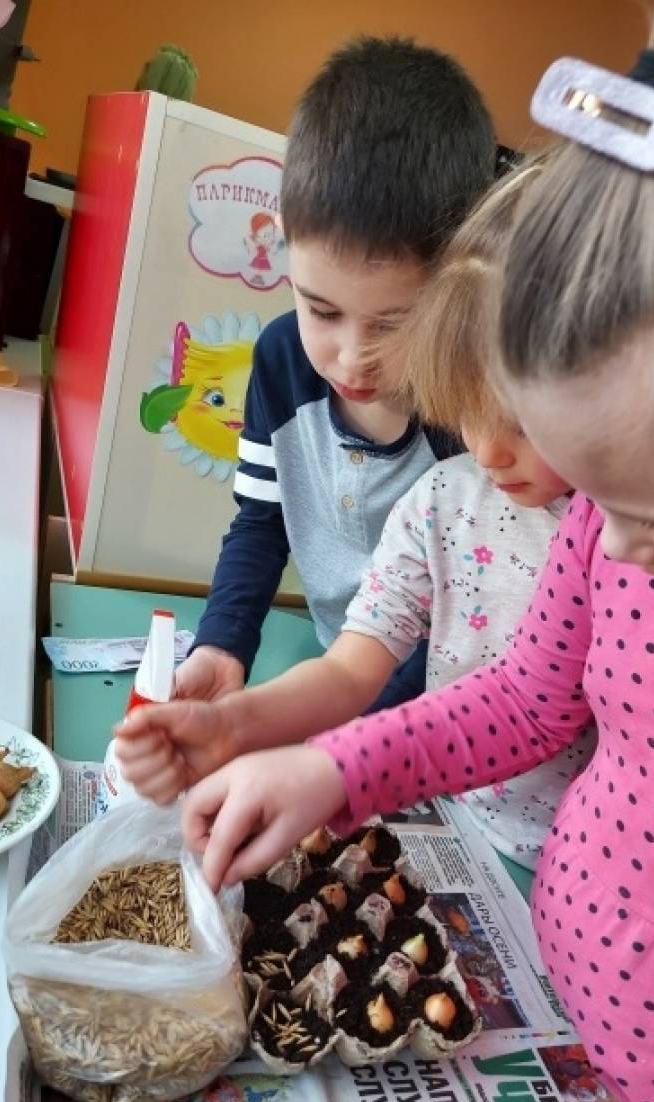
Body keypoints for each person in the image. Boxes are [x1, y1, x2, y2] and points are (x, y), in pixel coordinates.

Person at [176, 0, 654, 1102]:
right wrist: (329, 764)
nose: (606, 542)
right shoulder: (605, 527)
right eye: (588, 496)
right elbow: (522, 700)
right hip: (573, 995)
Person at [115, 164, 595, 867]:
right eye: (466, 404)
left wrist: (328, 757)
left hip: (571, 848)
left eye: (522, 421)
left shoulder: (617, 541)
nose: (488, 449)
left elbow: (529, 706)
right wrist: (232, 724)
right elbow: (349, 670)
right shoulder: (442, 502)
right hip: (453, 801)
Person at [177, 36, 495, 711]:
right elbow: (262, 523)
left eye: (394, 324)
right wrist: (222, 644)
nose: (352, 358)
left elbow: (463, 611)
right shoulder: (281, 360)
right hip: (340, 678)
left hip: (440, 706)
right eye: (321, 309)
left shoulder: (473, 413)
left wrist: (342, 728)